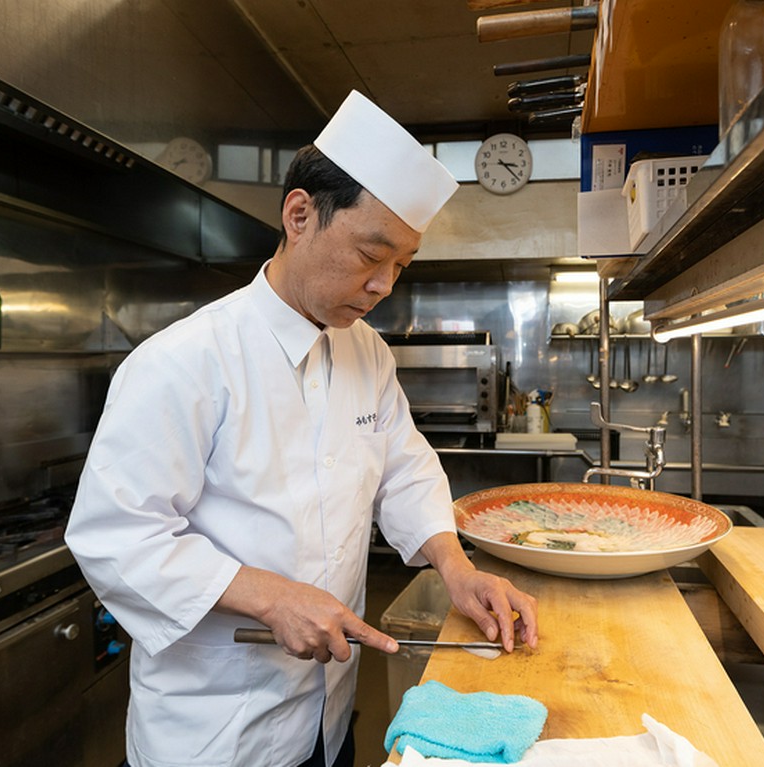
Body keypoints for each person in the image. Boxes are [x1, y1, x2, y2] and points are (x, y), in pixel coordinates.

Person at [65, 90, 539, 767]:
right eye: (370, 254)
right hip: (216, 734)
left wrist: (455, 566)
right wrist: (270, 595)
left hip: (328, 714)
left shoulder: (366, 351)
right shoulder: (186, 361)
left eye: (401, 265)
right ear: (299, 215)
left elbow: (403, 466)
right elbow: (113, 533)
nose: (383, 285)